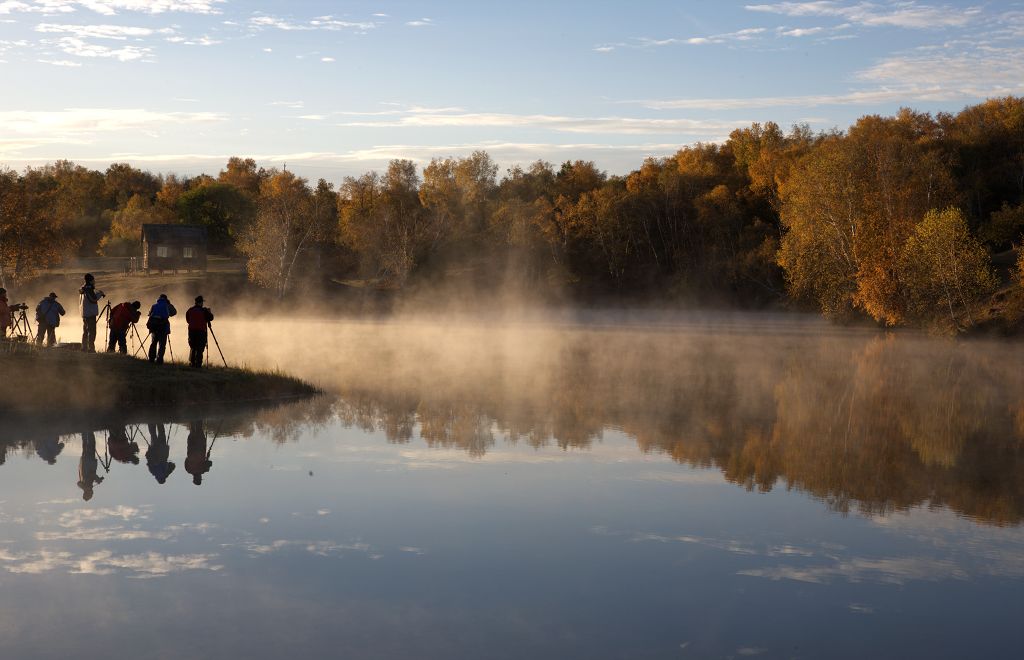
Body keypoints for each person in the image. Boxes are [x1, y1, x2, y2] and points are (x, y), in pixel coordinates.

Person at [185, 295, 215, 368]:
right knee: (200, 348)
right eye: (202, 302)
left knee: (193, 347)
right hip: (201, 332)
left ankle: (192, 363)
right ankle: (198, 364)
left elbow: (188, 320)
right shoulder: (204, 311)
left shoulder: (190, 310)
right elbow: (211, 318)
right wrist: (209, 312)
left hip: (192, 331)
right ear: (200, 302)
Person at [146, 293, 177, 364]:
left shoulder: (154, 306)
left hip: (154, 327)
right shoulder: (167, 305)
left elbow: (150, 314)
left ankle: (151, 359)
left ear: (159, 299)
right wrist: (169, 304)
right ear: (166, 299)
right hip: (163, 327)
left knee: (153, 343)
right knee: (162, 344)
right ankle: (159, 360)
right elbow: (174, 312)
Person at [79, 273, 105, 353]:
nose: (94, 282)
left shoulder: (83, 288)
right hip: (90, 314)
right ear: (90, 280)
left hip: (85, 313)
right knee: (92, 332)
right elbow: (93, 299)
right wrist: (100, 294)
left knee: (86, 332)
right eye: (93, 280)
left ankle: (84, 348)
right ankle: (91, 348)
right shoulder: (89, 289)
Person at [78, 431, 104, 501]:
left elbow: (92, 475)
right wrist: (98, 479)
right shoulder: (85, 486)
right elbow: (79, 483)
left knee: (90, 443)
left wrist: (97, 479)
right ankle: (85, 430)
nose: (92, 493)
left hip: (88, 460)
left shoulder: (86, 485)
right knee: (87, 444)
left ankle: (88, 429)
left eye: (91, 494)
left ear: (88, 493)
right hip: (87, 460)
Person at [185, 420, 212, 486]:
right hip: (191, 447)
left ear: (199, 478)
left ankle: (199, 414)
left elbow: (210, 463)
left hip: (201, 445)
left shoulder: (203, 470)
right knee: (192, 429)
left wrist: (207, 457)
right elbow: (186, 460)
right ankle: (192, 415)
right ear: (194, 478)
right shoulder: (188, 470)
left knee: (199, 428)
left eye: (200, 478)